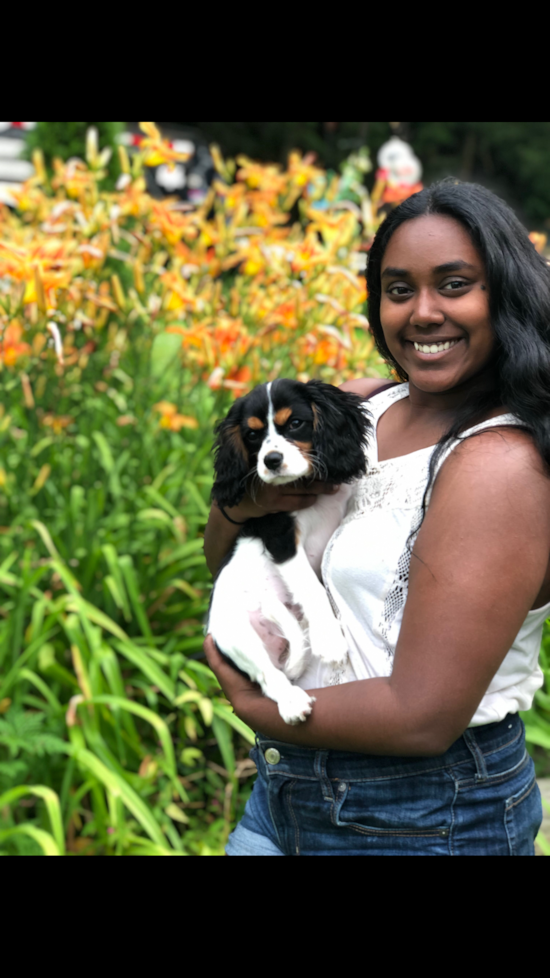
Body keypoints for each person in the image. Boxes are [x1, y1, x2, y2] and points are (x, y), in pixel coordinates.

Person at [203, 180, 549, 856]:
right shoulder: (366, 407)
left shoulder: (502, 462)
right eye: (398, 290)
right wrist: (248, 500)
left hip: (425, 811)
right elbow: (231, 556)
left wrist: (256, 705)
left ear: (506, 292)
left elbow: (422, 716)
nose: (423, 313)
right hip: (288, 790)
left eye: (454, 285)